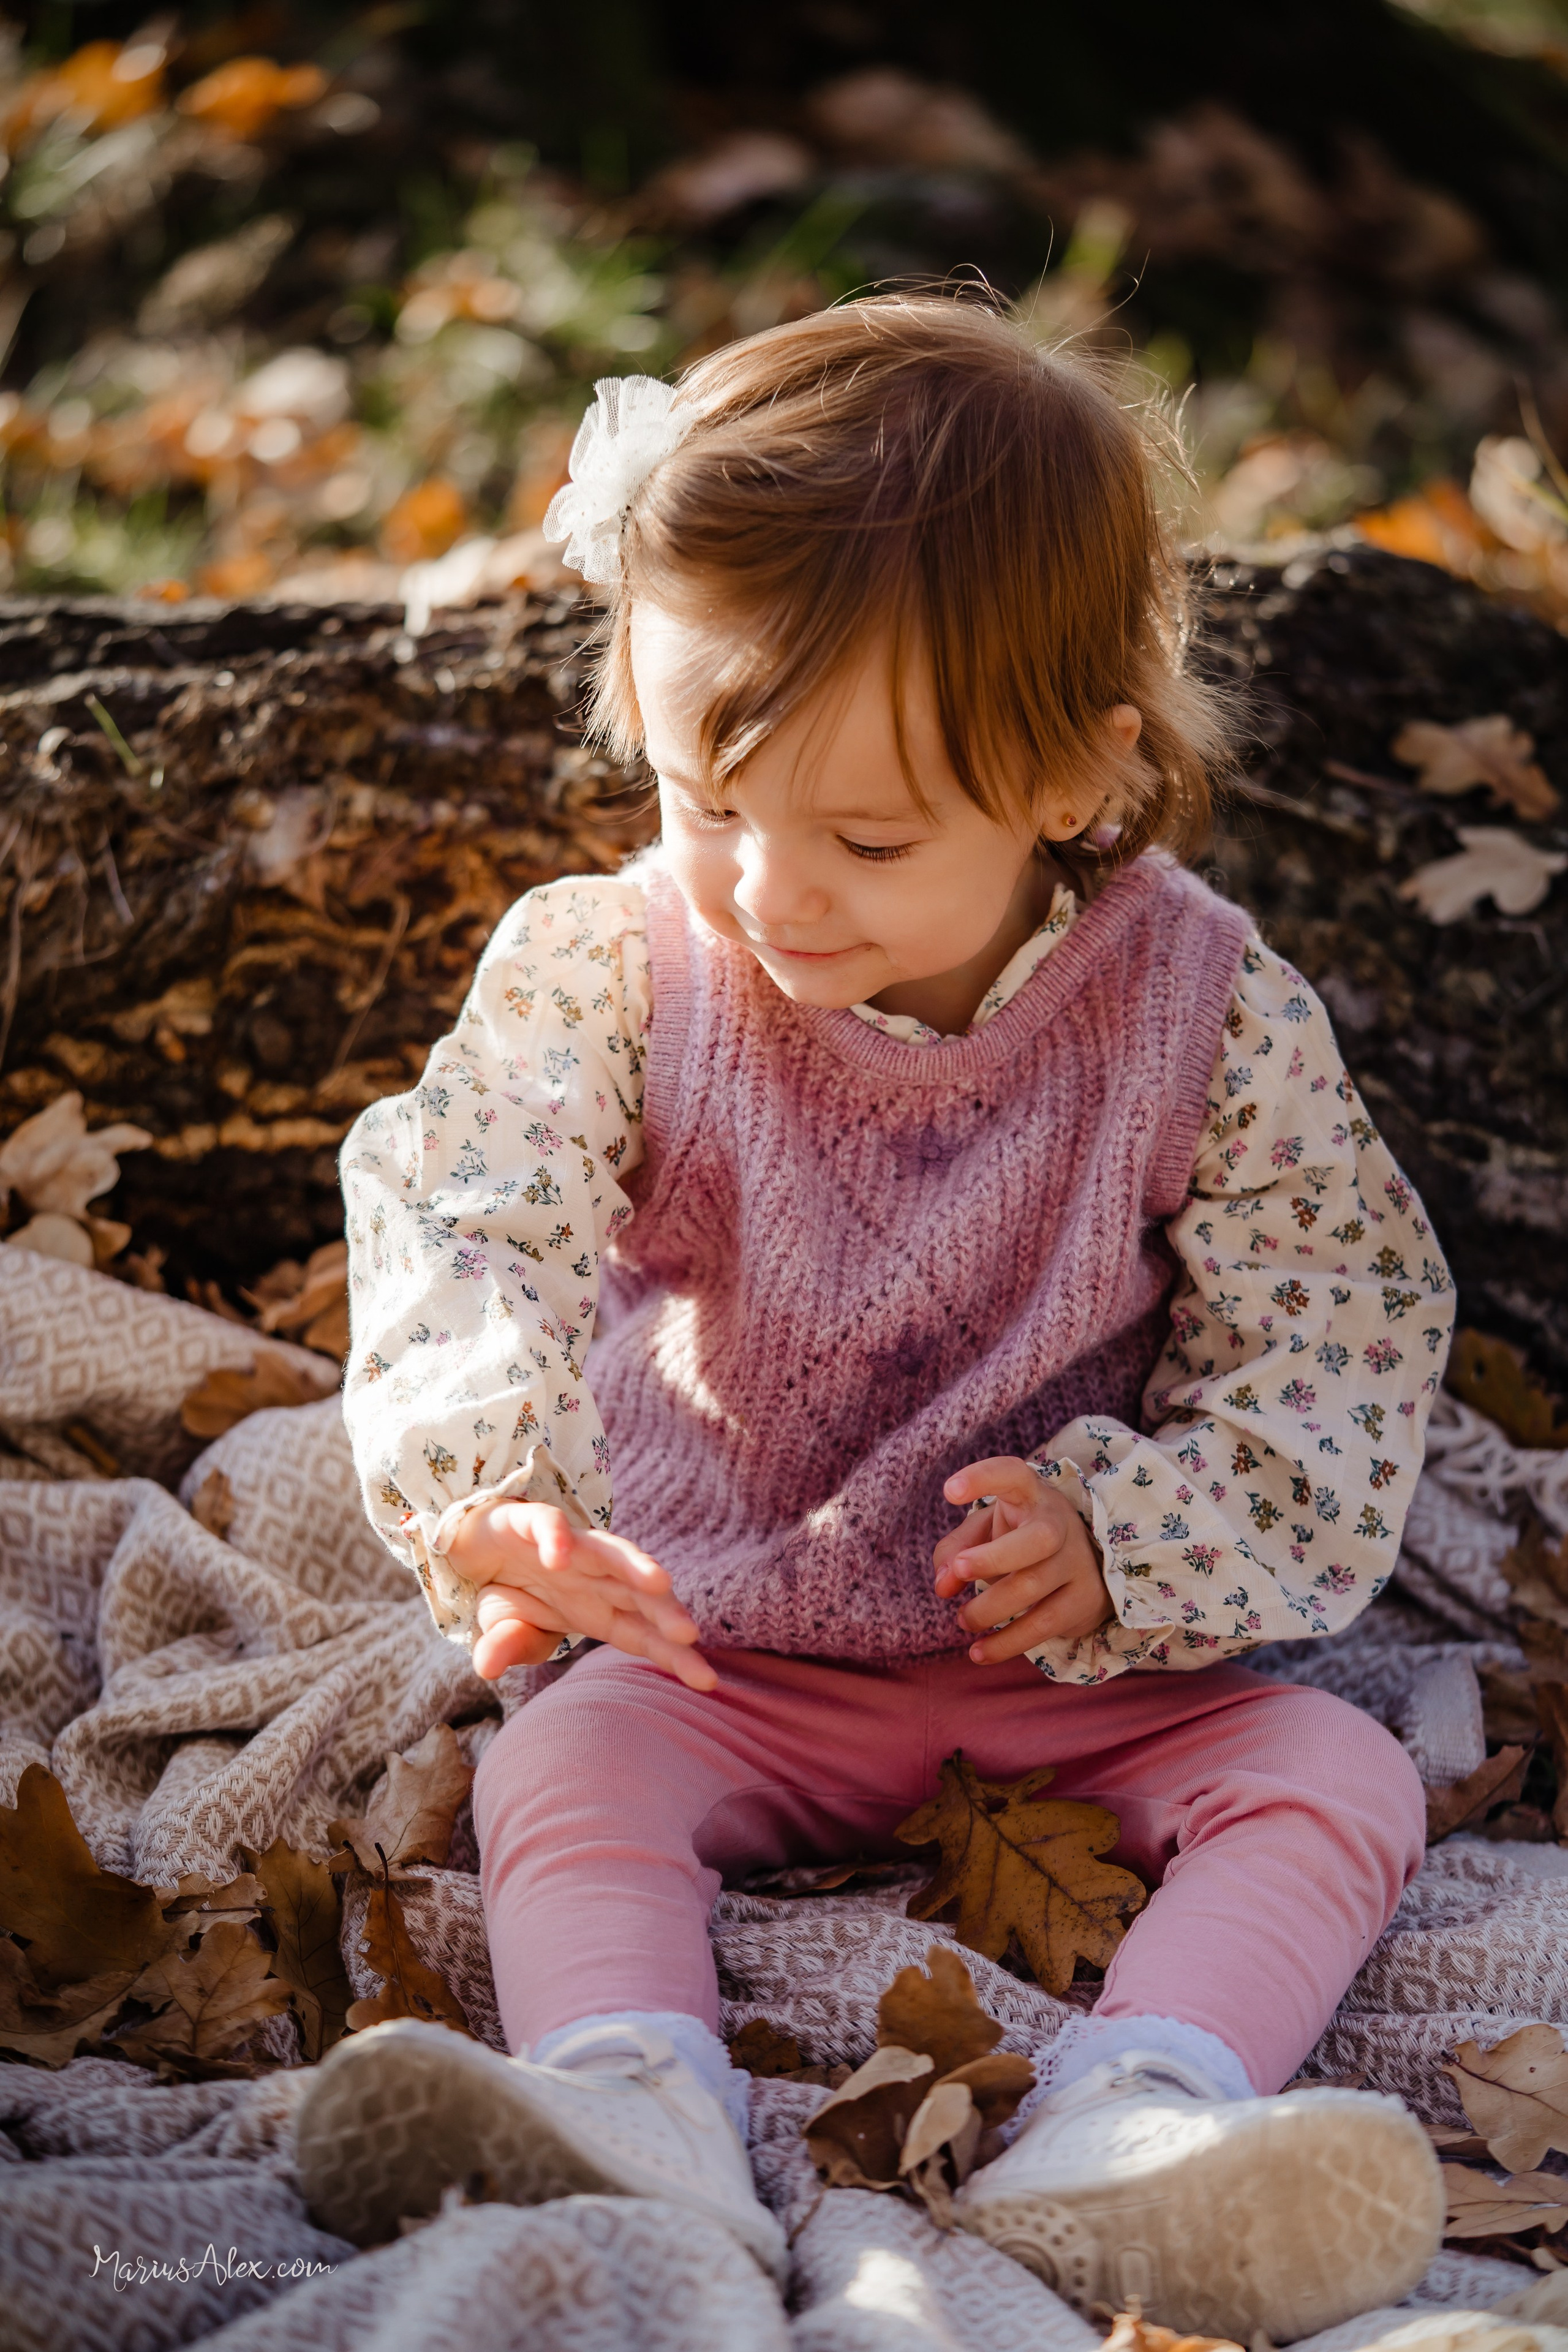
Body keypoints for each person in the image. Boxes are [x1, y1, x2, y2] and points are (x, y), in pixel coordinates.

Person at [295, 296, 1453, 2339]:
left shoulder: (1203, 1010)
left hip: (1079, 1659)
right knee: (561, 1777)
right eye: (706, 801)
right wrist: (498, 1483)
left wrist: (1136, 1534)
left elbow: (1337, 1330)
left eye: (869, 837)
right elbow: (470, 1204)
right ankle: (625, 2101)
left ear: (1082, 775)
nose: (768, 890)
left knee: (1336, 1778)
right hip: (721, 1626)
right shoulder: (621, 974)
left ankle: (1149, 2121)